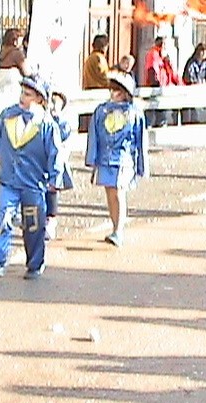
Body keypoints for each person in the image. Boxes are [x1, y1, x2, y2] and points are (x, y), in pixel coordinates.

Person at [0, 75, 66, 280]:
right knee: (3, 218)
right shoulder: (8, 116)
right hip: (9, 179)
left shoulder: (46, 124)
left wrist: (55, 178)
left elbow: (56, 152)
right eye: (22, 93)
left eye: (28, 94)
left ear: (39, 99)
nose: (22, 97)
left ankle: (35, 263)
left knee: (33, 225)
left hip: (33, 184)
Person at [84, 72, 148, 247]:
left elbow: (141, 140)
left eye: (118, 90)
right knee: (110, 193)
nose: (114, 93)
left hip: (124, 159)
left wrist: (142, 165)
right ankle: (115, 227)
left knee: (119, 191)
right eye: (112, 89)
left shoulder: (134, 113)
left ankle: (119, 231)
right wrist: (92, 159)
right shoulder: (101, 111)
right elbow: (94, 136)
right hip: (105, 159)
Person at [45, 90, 73, 241]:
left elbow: (64, 144)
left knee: (52, 190)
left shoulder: (63, 125)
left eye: (57, 104)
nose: (54, 107)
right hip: (41, 163)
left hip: (55, 164)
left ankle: (51, 221)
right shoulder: (43, 121)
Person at [143, 36, 181, 127]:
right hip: (156, 87)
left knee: (163, 112)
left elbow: (172, 72)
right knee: (153, 112)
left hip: (165, 87)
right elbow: (152, 70)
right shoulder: (153, 54)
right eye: (164, 44)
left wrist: (180, 84)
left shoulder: (164, 57)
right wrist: (156, 84)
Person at [0, 28, 31, 95]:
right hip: (15, 90)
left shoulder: (2, 53)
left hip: (2, 90)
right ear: (16, 40)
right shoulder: (17, 54)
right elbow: (27, 72)